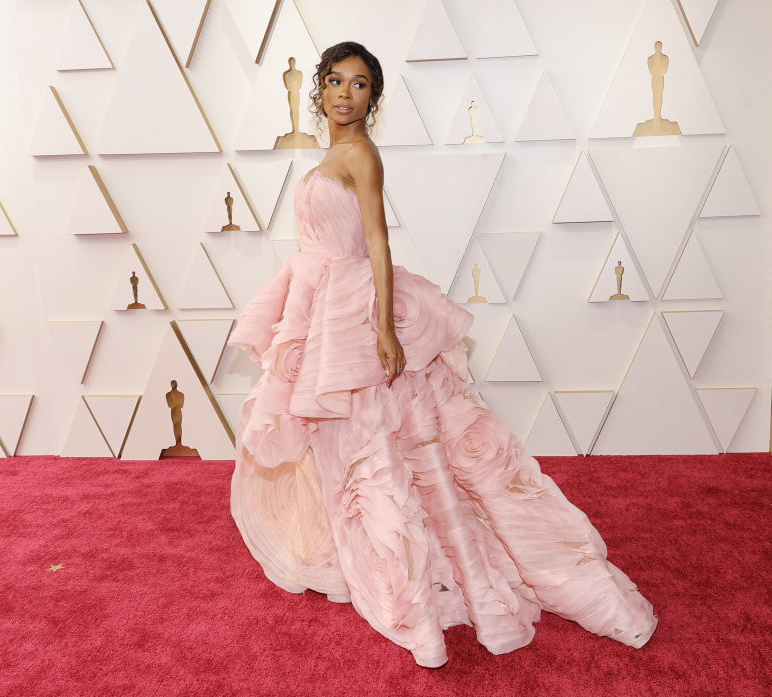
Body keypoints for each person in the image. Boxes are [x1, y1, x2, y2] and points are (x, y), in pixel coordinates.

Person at [227, 41, 657, 668]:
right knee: (351, 441)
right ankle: (364, 547)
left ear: (373, 99)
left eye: (362, 85)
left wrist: (385, 329)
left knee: (372, 443)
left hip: (350, 305)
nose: (347, 93)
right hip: (320, 297)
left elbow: (376, 239)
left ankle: (405, 565)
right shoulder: (334, 153)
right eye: (338, 82)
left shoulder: (361, 156)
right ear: (319, 90)